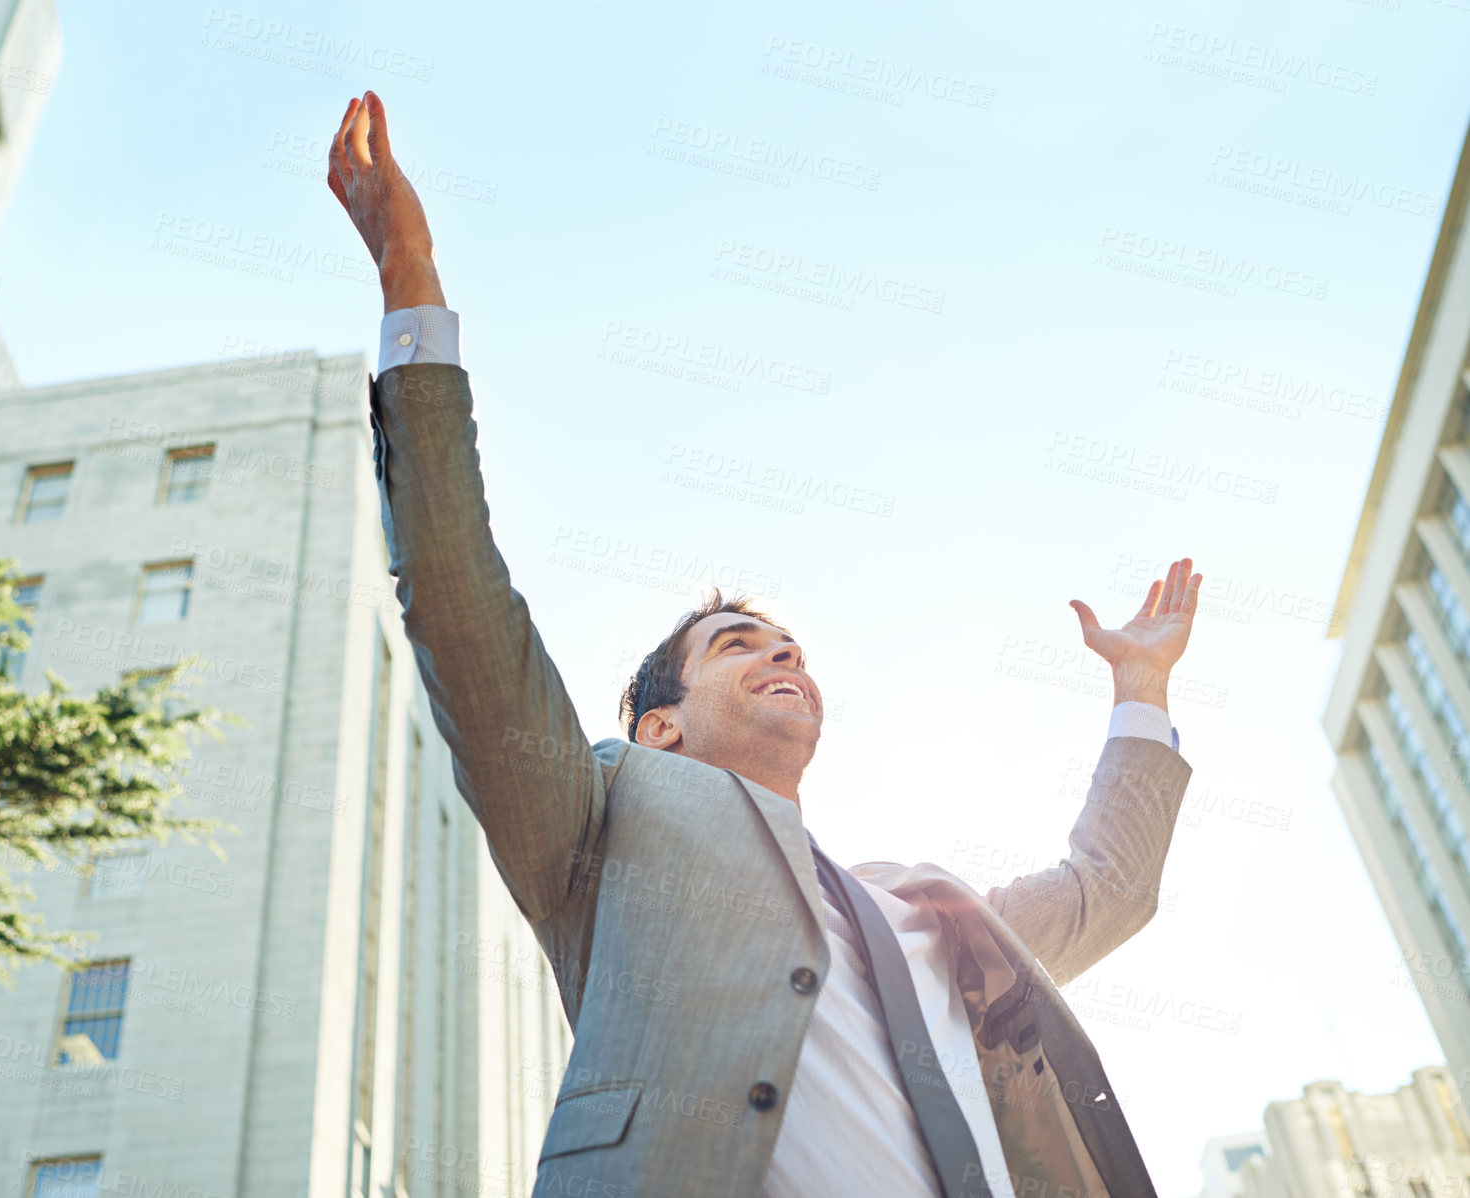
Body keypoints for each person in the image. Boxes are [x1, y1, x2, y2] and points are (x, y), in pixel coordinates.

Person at [327, 90, 1202, 1198]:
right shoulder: (599, 830)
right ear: (660, 727)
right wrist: (411, 281)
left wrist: (1140, 692)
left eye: (791, 643)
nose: (785, 655)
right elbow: (464, 611)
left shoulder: (926, 916)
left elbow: (1109, 887)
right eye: (740, 644)